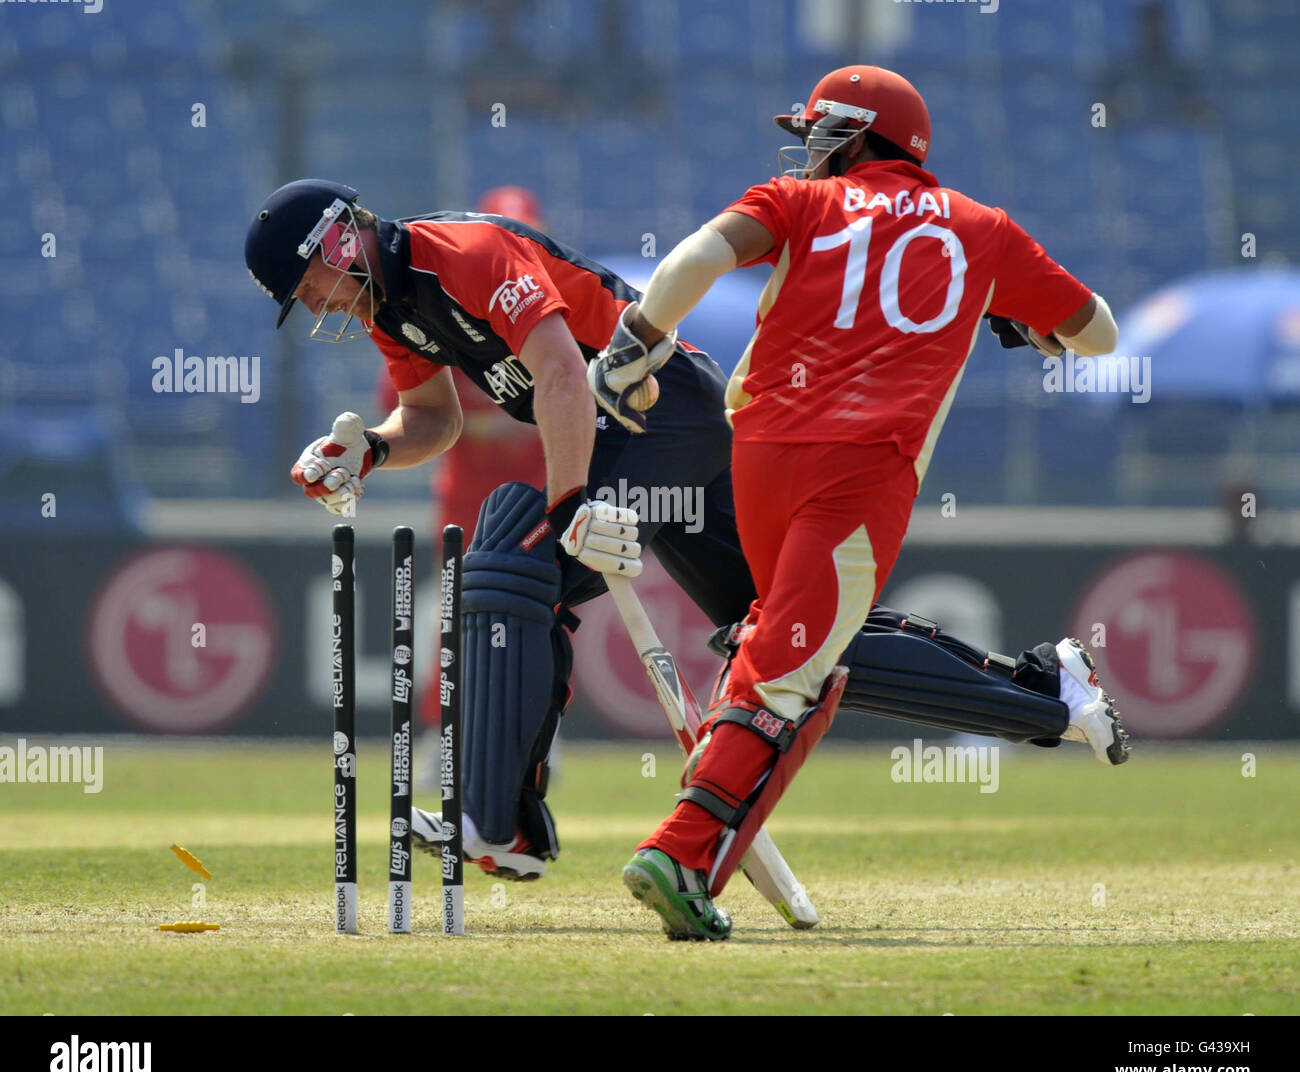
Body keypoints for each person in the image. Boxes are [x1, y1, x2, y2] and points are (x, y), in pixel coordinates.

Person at [243, 171, 1124, 901]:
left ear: (338, 238)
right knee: (787, 637)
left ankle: (501, 820)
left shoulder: (465, 252)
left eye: (308, 282)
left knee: (515, 557)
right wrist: (369, 450)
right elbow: (432, 417)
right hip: (644, 434)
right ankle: (1050, 693)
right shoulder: (390, 311)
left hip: (666, 416)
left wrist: (568, 503)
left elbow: (557, 372)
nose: (316, 302)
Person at [589, 65, 1128, 941]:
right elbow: (1099, 333)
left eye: (818, 132)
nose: (807, 149)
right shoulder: (983, 229)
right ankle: (682, 851)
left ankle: (705, 858)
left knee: (791, 654)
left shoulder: (795, 203)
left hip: (759, 451)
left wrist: (634, 342)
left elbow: (693, 258)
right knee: (791, 665)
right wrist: (1032, 322)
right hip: (863, 472)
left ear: (859, 134)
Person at [370, 187, 547, 784]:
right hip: (467, 499)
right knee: (453, 617)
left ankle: (534, 744)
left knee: (539, 617)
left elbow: (569, 402)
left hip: (536, 491)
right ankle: (438, 734)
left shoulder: (541, 306)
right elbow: (408, 408)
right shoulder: (437, 306)